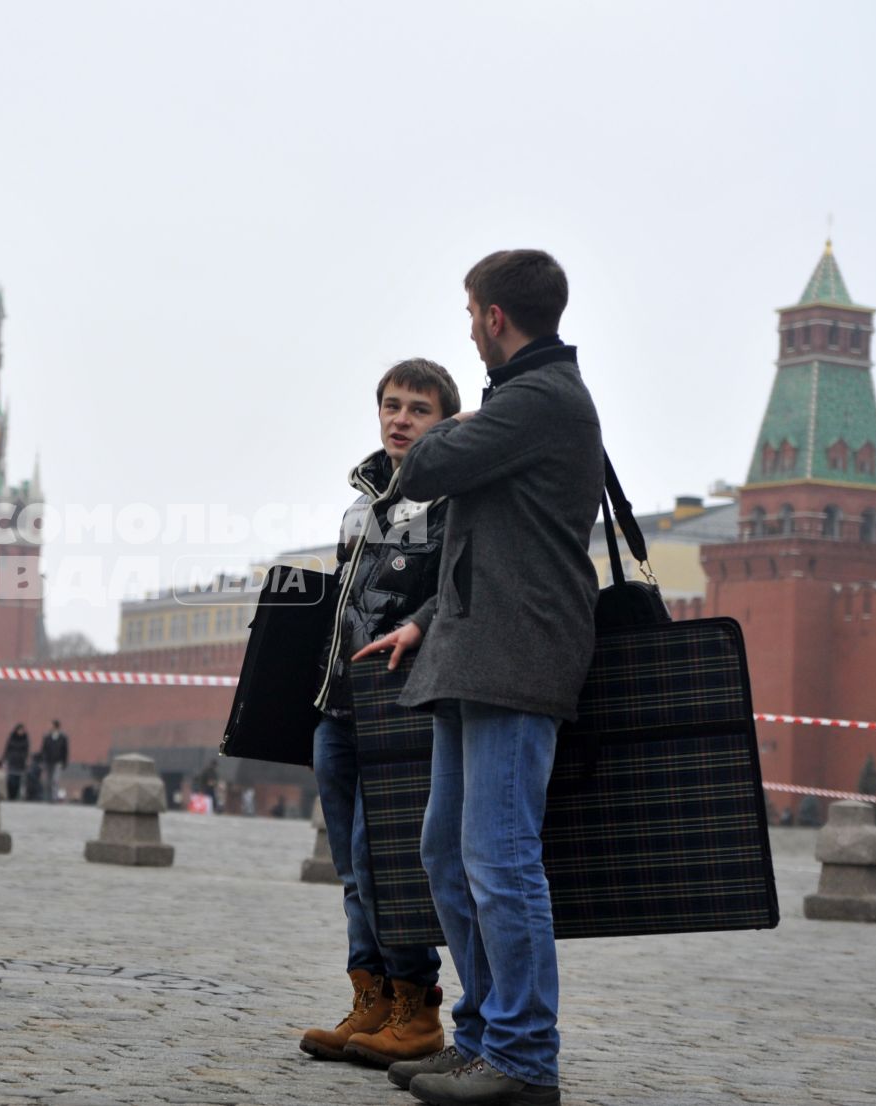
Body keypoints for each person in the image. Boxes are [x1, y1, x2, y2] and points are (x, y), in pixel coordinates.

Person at [361, 249, 601, 1106]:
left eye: (470, 315)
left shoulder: (538, 400)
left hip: (515, 655)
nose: (467, 329)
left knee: (500, 860)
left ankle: (525, 1059)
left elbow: (422, 469)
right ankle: (481, 1037)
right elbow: (489, 541)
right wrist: (425, 620)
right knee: (447, 855)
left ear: (495, 316)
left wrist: (437, 433)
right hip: (473, 649)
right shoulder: (519, 405)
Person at [296, 359, 457, 1068]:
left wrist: (417, 624)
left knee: (383, 857)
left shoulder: (453, 500)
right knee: (353, 868)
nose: (399, 418)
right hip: (338, 707)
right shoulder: (360, 501)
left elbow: (454, 593)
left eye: (417, 409)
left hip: (400, 709)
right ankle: (370, 999)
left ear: (445, 421)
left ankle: (414, 1008)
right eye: (391, 405)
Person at [39, 720, 70, 802]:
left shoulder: (63, 738)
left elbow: (65, 750)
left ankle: (54, 797)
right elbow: (43, 750)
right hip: (48, 761)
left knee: (55, 780)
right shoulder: (47, 737)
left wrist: (64, 762)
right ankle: (48, 797)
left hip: (58, 762)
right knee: (48, 780)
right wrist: (43, 760)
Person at [0, 723, 30, 801]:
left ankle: (15, 797)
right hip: (12, 761)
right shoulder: (11, 738)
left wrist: (26, 760)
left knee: (18, 781)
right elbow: (7, 749)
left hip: (20, 763)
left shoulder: (25, 739)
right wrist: (3, 759)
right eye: (19, 730)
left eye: (22, 730)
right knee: (11, 780)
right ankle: (10, 795)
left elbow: (26, 751)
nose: (21, 732)